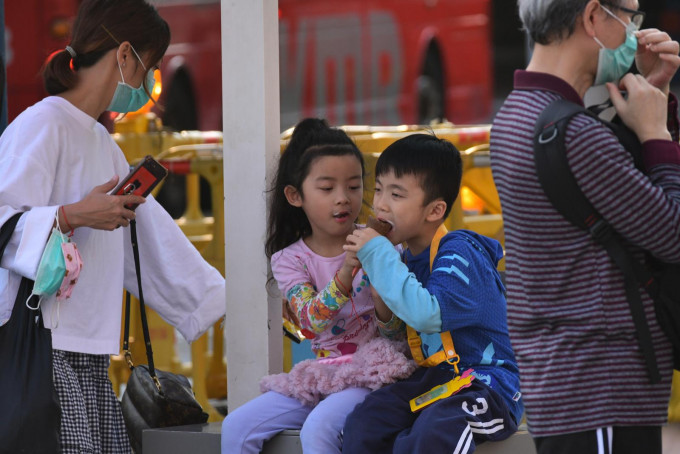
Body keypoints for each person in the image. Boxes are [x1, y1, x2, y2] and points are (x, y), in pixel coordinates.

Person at [0, 0, 226, 452]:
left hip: (86, 348)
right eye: (153, 67)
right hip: (45, 349)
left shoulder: (100, 138)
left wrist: (224, 301)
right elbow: (4, 220)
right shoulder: (42, 124)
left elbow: (151, 237)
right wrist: (73, 215)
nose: (152, 83)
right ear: (125, 55)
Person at [490, 1, 680, 453]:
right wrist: (656, 135)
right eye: (629, 16)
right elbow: (673, 235)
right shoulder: (577, 135)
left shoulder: (517, 116)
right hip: (603, 386)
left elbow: (625, 206)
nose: (635, 31)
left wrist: (654, 97)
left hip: (566, 383)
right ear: (593, 16)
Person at [221, 118, 410, 454]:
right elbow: (311, 321)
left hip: (375, 373)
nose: (343, 199)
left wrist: (382, 292)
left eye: (354, 186)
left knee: (319, 428)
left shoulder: (385, 248)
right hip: (322, 373)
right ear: (295, 196)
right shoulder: (289, 259)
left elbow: (397, 334)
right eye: (327, 188)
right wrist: (348, 269)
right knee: (236, 425)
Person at [342, 134, 523, 454]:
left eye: (396, 194)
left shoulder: (460, 252)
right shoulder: (405, 256)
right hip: (437, 379)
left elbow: (428, 314)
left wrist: (379, 255)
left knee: (435, 430)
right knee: (367, 422)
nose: (381, 203)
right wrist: (376, 276)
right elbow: (396, 332)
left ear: (435, 210)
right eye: (379, 189)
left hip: (488, 385)